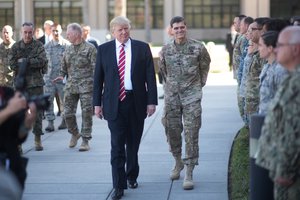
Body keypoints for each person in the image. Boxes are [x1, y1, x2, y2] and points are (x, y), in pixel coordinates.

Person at [93, 16, 157, 200]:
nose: (124, 32)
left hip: (136, 101)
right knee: (117, 146)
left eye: (126, 29)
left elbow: (150, 77)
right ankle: (118, 186)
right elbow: (98, 79)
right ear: (113, 31)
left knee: (133, 144)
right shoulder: (104, 50)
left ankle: (131, 175)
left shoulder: (142, 48)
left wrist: (151, 101)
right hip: (114, 104)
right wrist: (97, 104)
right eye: (120, 30)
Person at [158, 16, 211, 190]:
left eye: (182, 27)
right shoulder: (165, 50)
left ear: (186, 28)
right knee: (171, 131)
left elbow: (205, 66)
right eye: (176, 28)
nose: (179, 30)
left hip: (192, 97)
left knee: (191, 132)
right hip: (172, 97)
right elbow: (163, 72)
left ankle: (189, 170)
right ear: (171, 30)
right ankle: (178, 161)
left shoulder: (198, 47)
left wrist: (199, 85)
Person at [255, 26, 300, 200]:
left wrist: (286, 170)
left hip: (290, 173)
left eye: (281, 45)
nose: (276, 48)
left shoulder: (295, 81)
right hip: (279, 164)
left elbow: (294, 130)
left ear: (295, 49)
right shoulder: (290, 76)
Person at [53, 23, 96, 152]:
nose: (67, 35)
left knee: (86, 113)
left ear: (77, 34)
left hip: (86, 87)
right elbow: (63, 67)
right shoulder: (68, 49)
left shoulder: (90, 48)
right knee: (67, 114)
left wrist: (98, 85)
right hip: (71, 86)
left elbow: (96, 69)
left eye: (69, 33)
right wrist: (61, 75)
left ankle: (85, 140)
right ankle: (75, 133)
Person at [8, 22, 48, 151]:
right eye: (25, 32)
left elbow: (42, 61)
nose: (27, 35)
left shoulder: (39, 45)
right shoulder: (15, 47)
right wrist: (29, 61)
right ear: (21, 32)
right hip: (20, 86)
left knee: (37, 113)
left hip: (36, 84)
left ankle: (37, 139)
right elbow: (12, 64)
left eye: (30, 32)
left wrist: (25, 61)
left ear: (33, 32)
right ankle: (18, 143)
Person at [0, 86, 37, 190]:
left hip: (12, 173)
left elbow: (17, 136)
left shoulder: (7, 93)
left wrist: (27, 123)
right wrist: (8, 110)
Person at [44, 23, 70, 132]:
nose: (56, 33)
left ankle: (64, 121)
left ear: (61, 31)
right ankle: (50, 123)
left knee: (65, 101)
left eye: (57, 30)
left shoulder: (67, 46)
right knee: (48, 101)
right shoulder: (46, 46)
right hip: (49, 79)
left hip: (62, 79)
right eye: (53, 30)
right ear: (50, 31)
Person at [258, 31, 287, 114]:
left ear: (270, 48)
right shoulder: (267, 66)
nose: (258, 48)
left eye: (260, 45)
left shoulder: (280, 70)